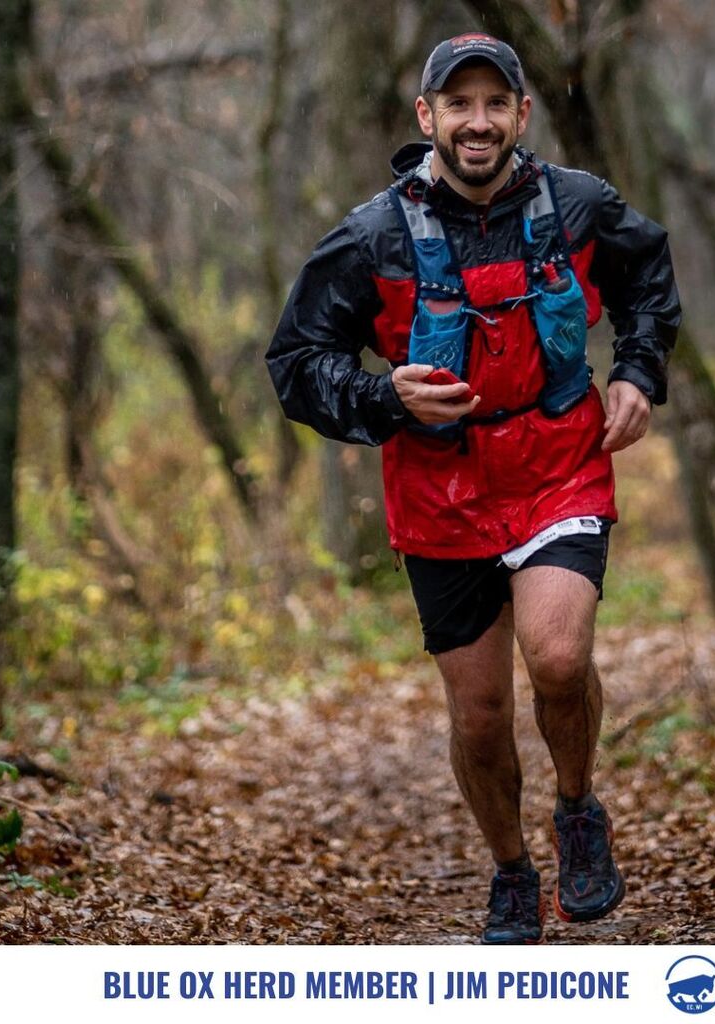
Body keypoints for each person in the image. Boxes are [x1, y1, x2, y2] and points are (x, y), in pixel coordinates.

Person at [266, 32, 680, 944]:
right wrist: (384, 397)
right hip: (438, 492)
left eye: (496, 103)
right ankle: (511, 871)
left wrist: (637, 373)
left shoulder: (578, 205)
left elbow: (648, 277)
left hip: (558, 463)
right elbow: (295, 361)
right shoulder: (371, 236)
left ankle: (577, 808)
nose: (478, 121)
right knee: (481, 715)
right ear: (428, 117)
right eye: (459, 104)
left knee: (559, 658)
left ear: (523, 115)